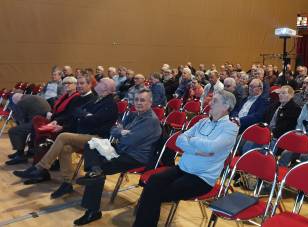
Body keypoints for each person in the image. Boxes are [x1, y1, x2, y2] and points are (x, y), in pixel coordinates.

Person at [132, 90, 238, 227]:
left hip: (201, 178)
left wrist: (192, 141)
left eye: (215, 101)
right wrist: (198, 150)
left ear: (226, 106)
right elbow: (180, 140)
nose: (210, 103)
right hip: (182, 169)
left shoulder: (231, 128)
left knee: (157, 192)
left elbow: (211, 148)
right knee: (153, 181)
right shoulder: (203, 122)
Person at [13, 79, 118, 195]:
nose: (97, 84)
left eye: (100, 83)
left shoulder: (110, 104)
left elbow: (94, 120)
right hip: (85, 134)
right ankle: (67, 183)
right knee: (65, 148)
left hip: (97, 138)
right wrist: (85, 115)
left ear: (106, 88)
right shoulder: (97, 99)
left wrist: (85, 116)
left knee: (63, 137)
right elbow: (76, 111)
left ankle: (40, 167)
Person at [73, 89, 162, 225]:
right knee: (91, 145)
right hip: (121, 150)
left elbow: (129, 141)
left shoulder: (151, 121)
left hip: (135, 157)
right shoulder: (134, 115)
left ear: (150, 102)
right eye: (136, 99)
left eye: (142, 100)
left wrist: (121, 133)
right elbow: (113, 129)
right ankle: (94, 171)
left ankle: (92, 211)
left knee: (100, 168)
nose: (138, 103)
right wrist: (122, 132)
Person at [5, 93, 51, 164]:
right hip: (47, 122)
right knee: (22, 129)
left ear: (16, 100)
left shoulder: (22, 102)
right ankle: (25, 152)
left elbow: (20, 119)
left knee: (14, 131)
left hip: (38, 124)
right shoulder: (34, 96)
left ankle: (20, 155)